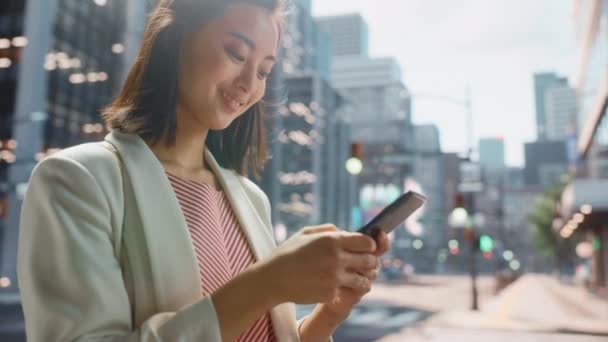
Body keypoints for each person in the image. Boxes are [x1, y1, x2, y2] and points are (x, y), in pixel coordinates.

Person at [17, 0, 390, 341]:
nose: (249, 84)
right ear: (174, 41)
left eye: (263, 71)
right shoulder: (77, 180)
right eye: (235, 52)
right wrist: (268, 283)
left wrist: (328, 316)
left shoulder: (249, 198)